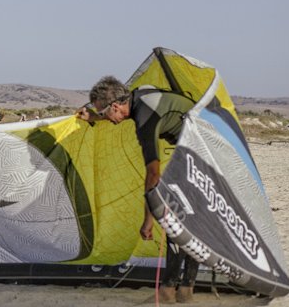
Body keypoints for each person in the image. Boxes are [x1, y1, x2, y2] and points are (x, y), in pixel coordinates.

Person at [77, 76, 199, 303]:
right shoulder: (139, 97)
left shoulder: (145, 119)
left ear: (115, 106)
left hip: (204, 152)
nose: (107, 120)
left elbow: (153, 173)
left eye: (103, 113)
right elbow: (119, 115)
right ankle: (183, 290)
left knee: (175, 216)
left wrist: (148, 219)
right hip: (196, 146)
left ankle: (170, 290)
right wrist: (94, 117)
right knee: (189, 219)